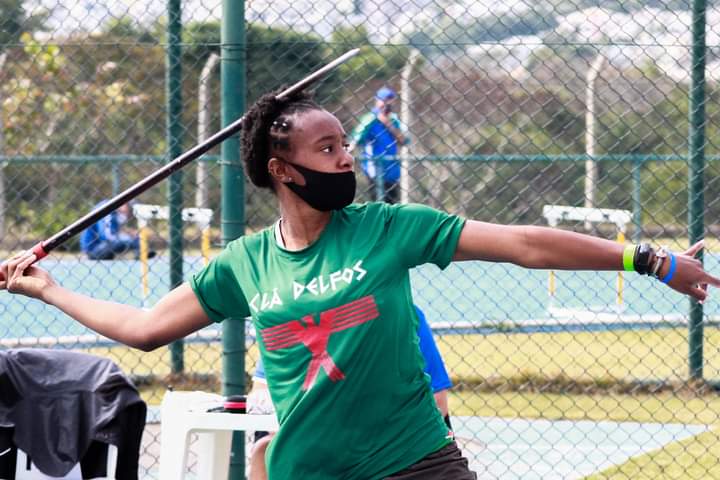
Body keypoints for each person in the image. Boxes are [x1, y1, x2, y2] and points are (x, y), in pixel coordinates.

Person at [2, 88, 718, 480]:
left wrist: (647, 260)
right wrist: (46, 290)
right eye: (328, 148)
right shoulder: (244, 264)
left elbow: (524, 244)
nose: (346, 158)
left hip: (417, 463)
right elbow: (144, 329)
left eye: (346, 144)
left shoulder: (387, 228)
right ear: (283, 171)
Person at [247, 305, 454, 480]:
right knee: (264, 449)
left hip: (388, 446)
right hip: (313, 445)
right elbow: (262, 397)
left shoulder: (399, 311)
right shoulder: (287, 319)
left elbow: (438, 403)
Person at [350, 86, 409, 204]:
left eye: (390, 100)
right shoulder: (370, 119)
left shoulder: (394, 120)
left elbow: (405, 140)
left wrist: (389, 124)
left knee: (393, 205)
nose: (388, 103)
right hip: (375, 168)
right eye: (385, 100)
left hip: (392, 169)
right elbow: (356, 138)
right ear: (377, 101)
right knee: (378, 203)